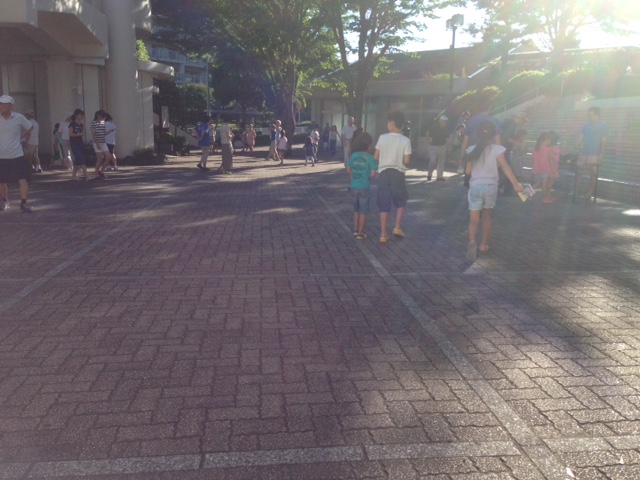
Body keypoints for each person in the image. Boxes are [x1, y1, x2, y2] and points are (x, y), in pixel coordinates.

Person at [465, 120, 523, 262]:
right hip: (491, 187)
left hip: (476, 186)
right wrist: (516, 184)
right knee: (487, 216)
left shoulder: (471, 149)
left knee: (473, 220)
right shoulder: (498, 149)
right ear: (493, 135)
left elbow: (468, 171)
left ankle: (472, 241)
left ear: (478, 133)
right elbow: (505, 167)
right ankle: (483, 245)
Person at [375, 111, 411, 244]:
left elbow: (376, 156)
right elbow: (407, 160)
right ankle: (397, 227)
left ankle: (383, 234)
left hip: (383, 173)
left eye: (388, 122)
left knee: (384, 203)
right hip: (398, 174)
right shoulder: (405, 140)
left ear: (392, 123)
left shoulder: (382, 138)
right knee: (401, 200)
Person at [0, 95, 34, 212]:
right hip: (1, 155)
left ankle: (24, 203)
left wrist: (23, 137)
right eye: (0, 104)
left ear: (11, 106)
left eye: (4, 105)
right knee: (1, 180)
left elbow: (30, 127)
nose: (1, 107)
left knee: (22, 179)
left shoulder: (19, 117)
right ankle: (5, 201)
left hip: (16, 154)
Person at [347, 132, 377, 240]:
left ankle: (355, 229)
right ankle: (361, 232)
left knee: (356, 209)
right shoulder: (371, 158)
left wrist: (353, 176)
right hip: (364, 186)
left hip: (354, 186)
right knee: (363, 211)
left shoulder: (354, 155)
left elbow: (348, 170)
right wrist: (368, 177)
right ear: (369, 145)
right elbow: (373, 173)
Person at [459, 98, 501, 173]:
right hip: (489, 154)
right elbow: (497, 140)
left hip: (473, 153)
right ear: (489, 107)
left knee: (470, 176)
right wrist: (499, 157)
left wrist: (462, 157)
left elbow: (465, 141)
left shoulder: (471, 120)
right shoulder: (495, 121)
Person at [577, 106, 608, 198]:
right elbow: (581, 137)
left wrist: (601, 154)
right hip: (584, 152)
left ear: (597, 115)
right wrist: (576, 145)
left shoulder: (603, 125)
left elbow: (604, 140)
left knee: (593, 174)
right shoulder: (586, 125)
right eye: (588, 115)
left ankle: (589, 192)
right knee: (579, 171)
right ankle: (575, 190)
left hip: (595, 153)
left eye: (591, 115)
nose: (589, 117)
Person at [426, 115, 452, 181]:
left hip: (442, 146)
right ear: (440, 121)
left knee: (441, 162)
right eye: (443, 121)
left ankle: (439, 177)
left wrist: (449, 148)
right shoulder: (434, 127)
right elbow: (428, 132)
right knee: (432, 161)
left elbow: (448, 139)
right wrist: (428, 140)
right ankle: (429, 174)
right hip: (433, 146)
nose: (444, 123)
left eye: (446, 121)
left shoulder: (446, 130)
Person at [90, 109, 112, 180]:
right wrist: (97, 143)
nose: (103, 118)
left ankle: (101, 171)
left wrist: (109, 131)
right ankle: (96, 174)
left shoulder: (103, 123)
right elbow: (94, 134)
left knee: (109, 157)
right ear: (98, 116)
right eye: (102, 117)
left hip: (103, 142)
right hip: (96, 142)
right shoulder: (93, 123)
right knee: (100, 158)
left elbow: (103, 133)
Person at [69, 109, 90, 180]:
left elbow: (83, 134)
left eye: (82, 116)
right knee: (81, 158)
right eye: (80, 115)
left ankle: (73, 176)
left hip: (80, 143)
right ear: (76, 116)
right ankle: (87, 175)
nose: (81, 117)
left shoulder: (81, 125)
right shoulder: (72, 124)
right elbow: (70, 134)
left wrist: (84, 129)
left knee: (77, 160)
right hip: (74, 144)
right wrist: (79, 134)